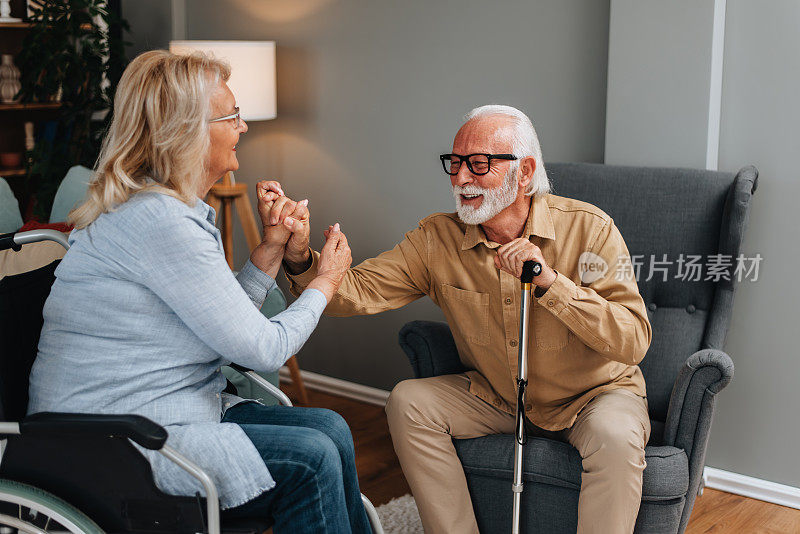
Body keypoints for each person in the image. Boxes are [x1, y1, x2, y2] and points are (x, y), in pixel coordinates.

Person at [27, 50, 371, 534]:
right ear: (187, 132)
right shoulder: (160, 222)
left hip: (160, 414)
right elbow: (263, 346)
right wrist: (326, 280)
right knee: (311, 461)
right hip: (112, 442)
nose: (243, 127)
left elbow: (223, 327)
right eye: (231, 116)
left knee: (330, 429)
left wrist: (271, 248)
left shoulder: (166, 210)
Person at [264, 105, 653, 534]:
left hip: (593, 396)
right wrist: (300, 256)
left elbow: (632, 339)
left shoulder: (591, 229)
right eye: (455, 163)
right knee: (409, 402)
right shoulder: (437, 238)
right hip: (502, 397)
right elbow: (359, 291)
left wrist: (549, 282)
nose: (460, 178)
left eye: (479, 164)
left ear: (524, 173)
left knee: (616, 437)